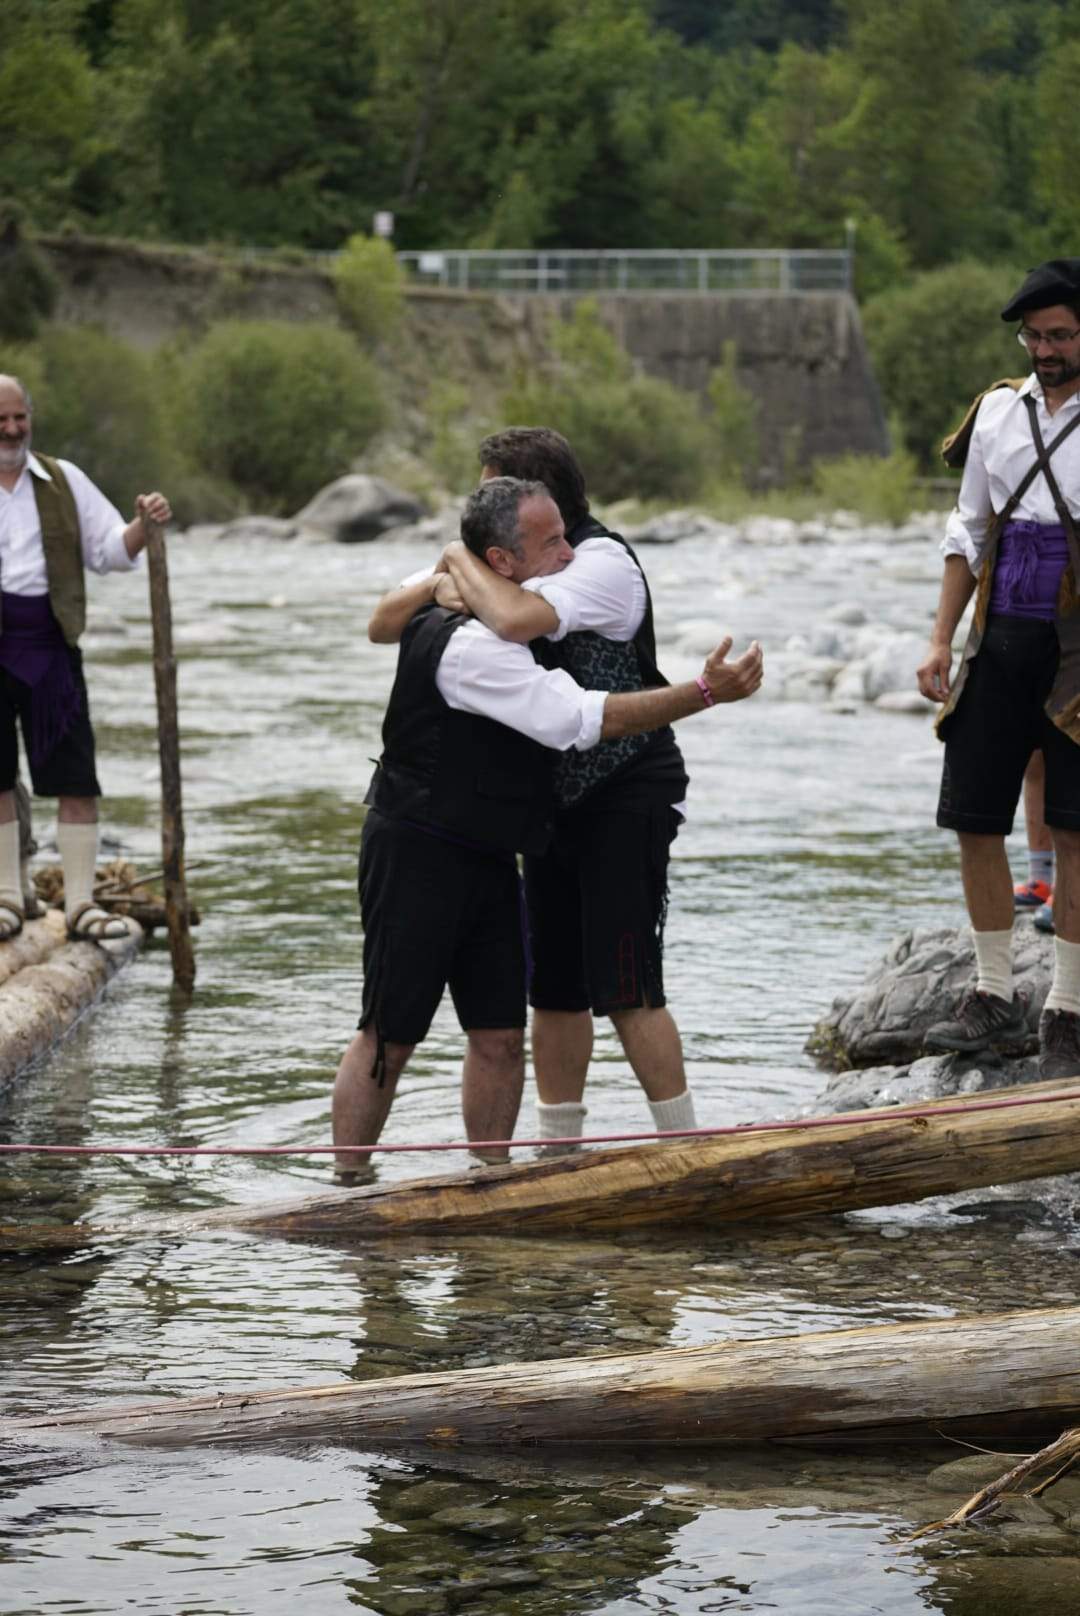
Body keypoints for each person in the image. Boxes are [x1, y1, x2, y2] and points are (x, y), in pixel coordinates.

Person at [334, 477, 762, 1177]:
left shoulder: (495, 589)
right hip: (415, 850)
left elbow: (420, 612)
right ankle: (346, 1185)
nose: (571, 552)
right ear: (500, 562)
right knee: (389, 1034)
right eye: (552, 542)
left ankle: (493, 1181)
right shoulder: (474, 647)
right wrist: (704, 693)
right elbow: (577, 721)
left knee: (500, 1035)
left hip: (494, 854)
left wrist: (450, 567)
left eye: (568, 533)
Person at [916, 260, 1080, 1077]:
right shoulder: (996, 411)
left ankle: (1069, 1009)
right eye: (1033, 336)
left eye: (1059, 335)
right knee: (974, 816)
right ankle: (992, 995)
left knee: (1078, 826)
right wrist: (941, 639)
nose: (1044, 350)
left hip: (1079, 649)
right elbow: (968, 529)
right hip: (1000, 633)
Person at [0, 374, 172, 941]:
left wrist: (144, 527)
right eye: (1, 420)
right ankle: (5, 897)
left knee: (77, 778)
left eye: (19, 417)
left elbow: (109, 553)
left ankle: (78, 905)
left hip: (51, 646)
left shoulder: (62, 480)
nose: (11, 429)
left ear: (31, 415)